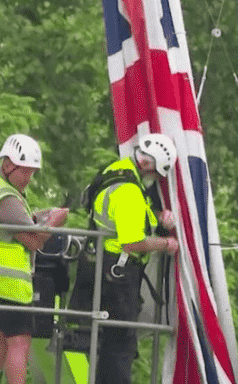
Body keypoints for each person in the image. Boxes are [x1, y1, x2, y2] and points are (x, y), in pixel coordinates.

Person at [70, 133, 180, 384]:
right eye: (157, 176)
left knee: (106, 343)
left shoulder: (117, 170)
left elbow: (125, 218)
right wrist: (166, 243)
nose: (155, 181)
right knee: (119, 347)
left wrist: (157, 219)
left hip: (98, 265)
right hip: (116, 276)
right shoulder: (129, 191)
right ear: (150, 167)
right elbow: (132, 242)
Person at [0, 134, 68, 384]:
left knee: (2, 341)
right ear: (8, 165)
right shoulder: (6, 199)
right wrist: (54, 220)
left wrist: (36, 217)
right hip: (5, 282)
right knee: (19, 342)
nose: (29, 179)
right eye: (25, 172)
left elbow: (16, 223)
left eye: (32, 172)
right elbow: (34, 241)